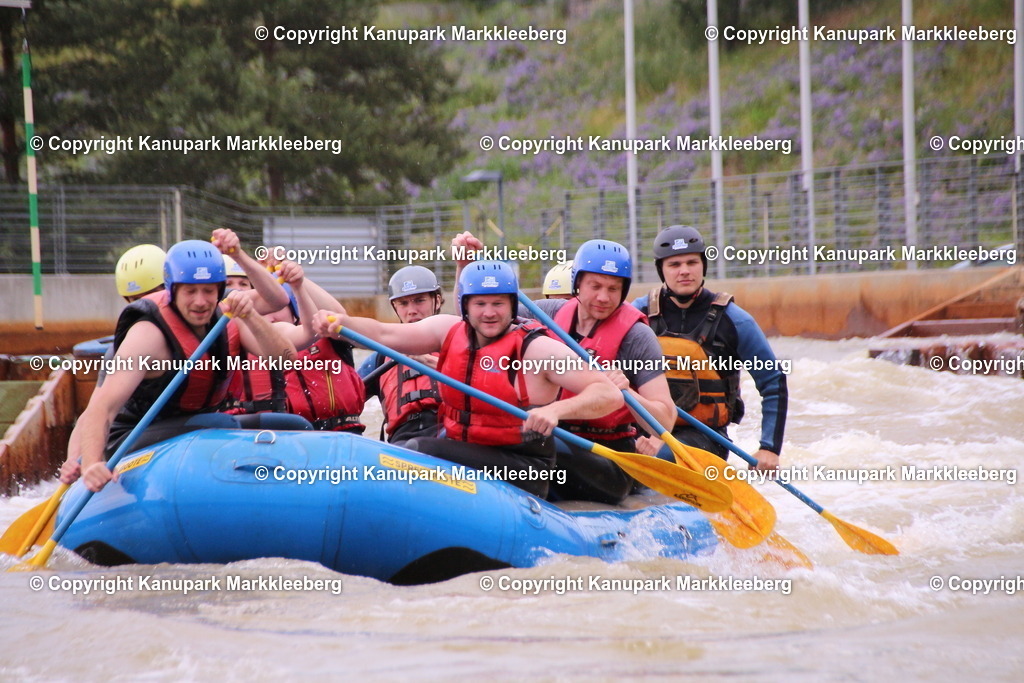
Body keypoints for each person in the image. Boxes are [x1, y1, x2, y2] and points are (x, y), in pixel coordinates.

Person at [312, 261, 624, 498]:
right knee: (402, 448)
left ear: (512, 306)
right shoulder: (447, 330)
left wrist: (556, 411)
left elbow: (609, 394)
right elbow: (385, 333)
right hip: (467, 447)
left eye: (498, 304)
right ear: (465, 306)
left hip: (523, 465)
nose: (489, 313)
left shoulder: (537, 348)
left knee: (420, 450)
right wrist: (343, 323)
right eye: (480, 304)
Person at [63, 238, 297, 492]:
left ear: (219, 290)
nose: (200, 302)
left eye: (208, 291)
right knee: (222, 425)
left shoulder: (228, 311)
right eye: (190, 291)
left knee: (294, 426)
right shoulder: (147, 337)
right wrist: (91, 463)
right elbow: (101, 408)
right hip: (135, 437)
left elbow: (285, 351)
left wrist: (250, 313)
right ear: (172, 290)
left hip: (198, 427)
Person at [521, 239, 675, 504]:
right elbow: (479, 315)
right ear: (577, 284)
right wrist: (465, 267)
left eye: (613, 289)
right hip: (557, 434)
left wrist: (626, 392)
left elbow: (666, 420)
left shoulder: (638, 337)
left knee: (538, 442)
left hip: (609, 460)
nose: (604, 297)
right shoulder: (547, 314)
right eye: (595, 286)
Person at [632, 225, 788, 471]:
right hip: (644, 430)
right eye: (674, 265)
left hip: (704, 437)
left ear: (703, 265)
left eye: (691, 262)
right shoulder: (637, 314)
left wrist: (769, 448)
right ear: (661, 270)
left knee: (658, 460)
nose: (684, 271)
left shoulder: (735, 321)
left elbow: (773, 382)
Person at [224, 259, 366, 432]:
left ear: (294, 313)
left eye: (243, 283)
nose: (237, 290)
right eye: (228, 284)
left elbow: (335, 318)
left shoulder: (322, 332)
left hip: (336, 430)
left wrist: (297, 283)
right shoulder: (230, 333)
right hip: (250, 426)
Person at [358, 266, 443, 445]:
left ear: (437, 300)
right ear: (395, 307)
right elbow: (346, 399)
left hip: (447, 433)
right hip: (402, 442)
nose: (411, 310)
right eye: (403, 303)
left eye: (419, 301)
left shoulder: (456, 341)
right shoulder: (380, 358)